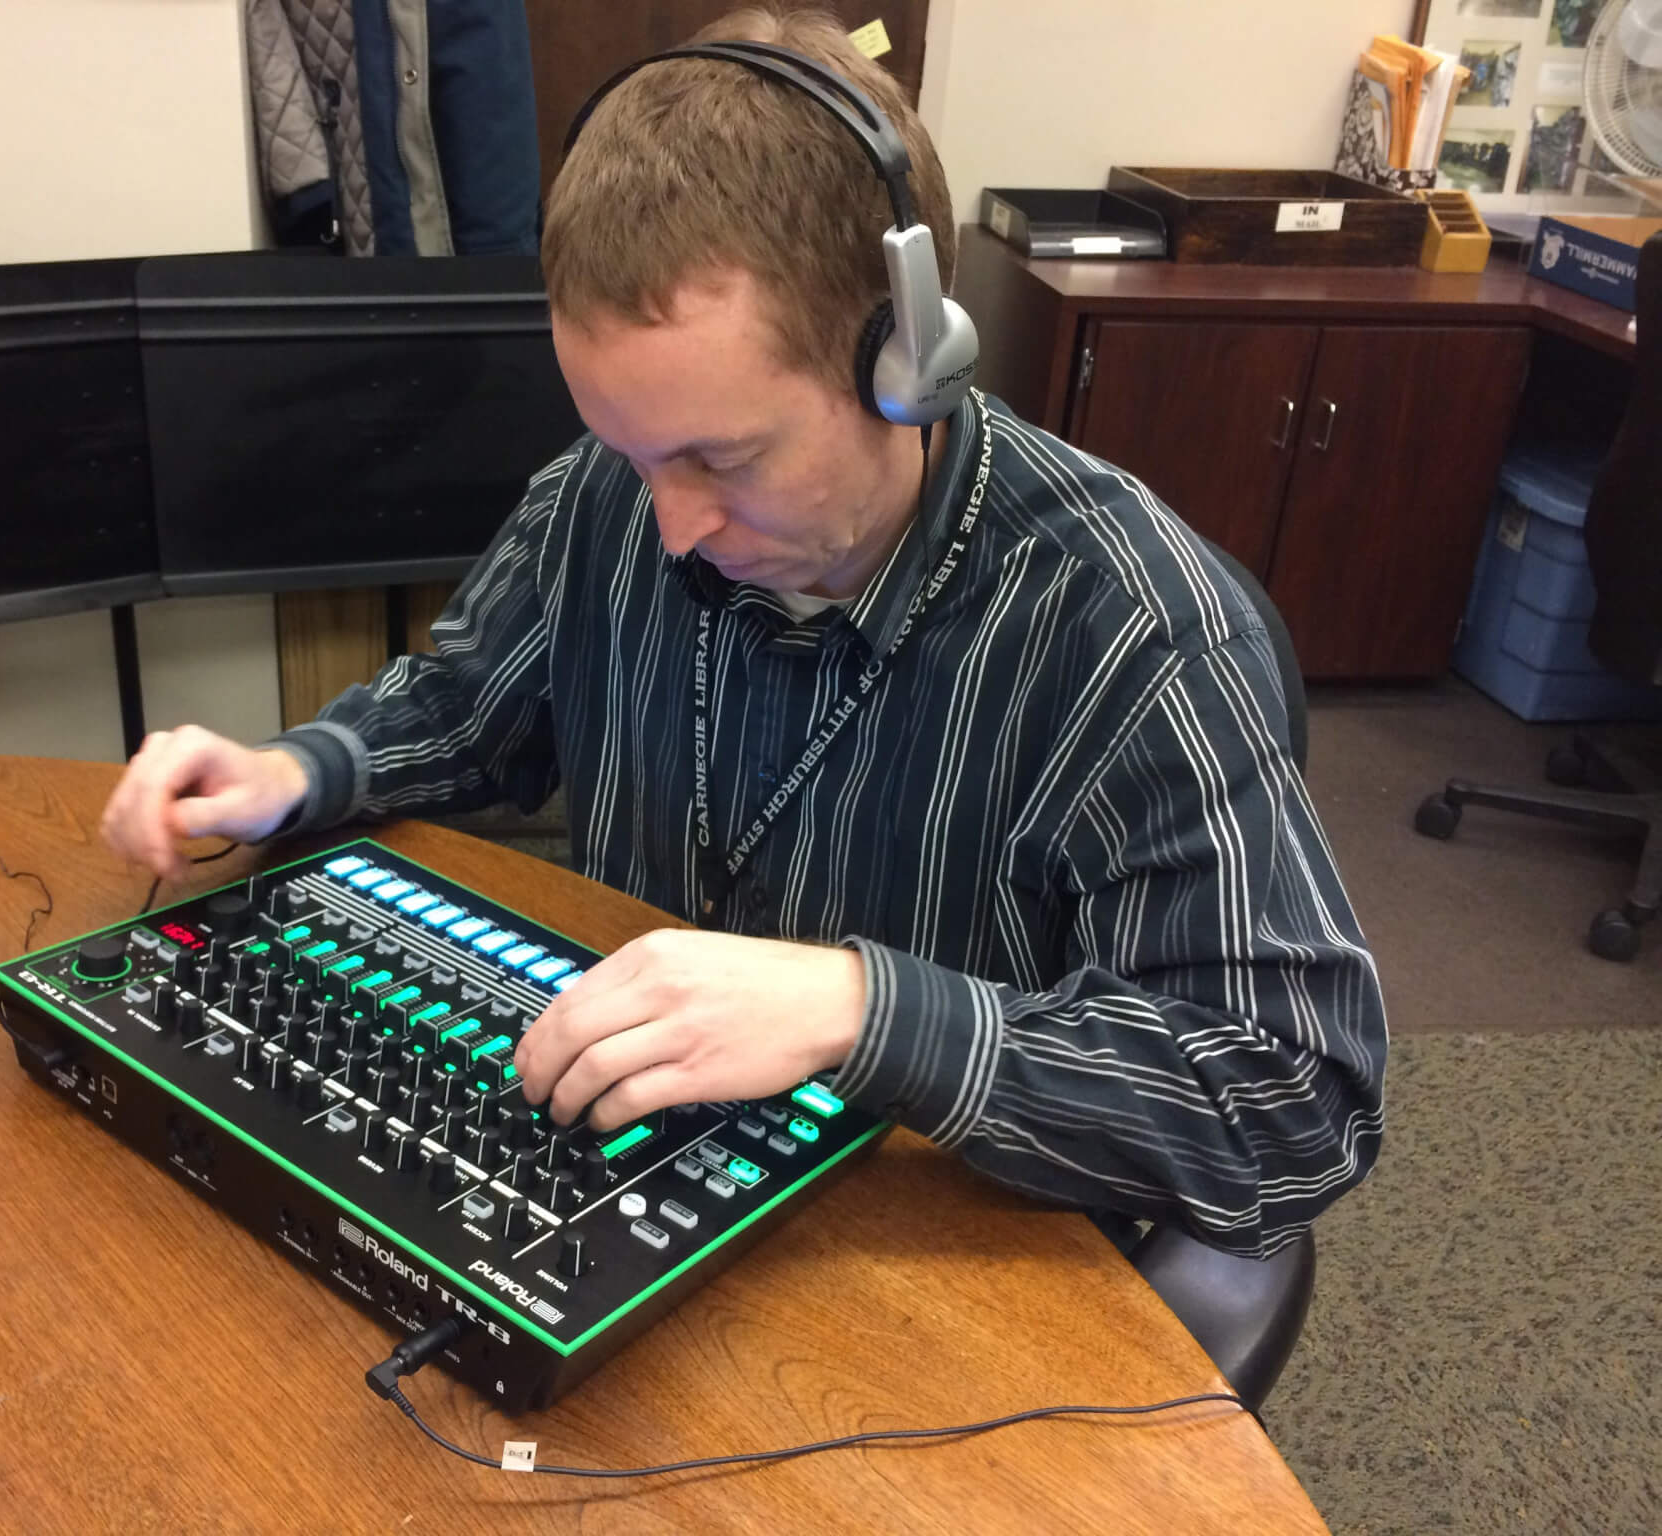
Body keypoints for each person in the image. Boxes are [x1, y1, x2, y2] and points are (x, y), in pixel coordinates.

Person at [101, 8, 1386, 1259]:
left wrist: (864, 1011)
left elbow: (1290, 1108)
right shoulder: (608, 500)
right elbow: (466, 710)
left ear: (907, 367)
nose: (666, 524)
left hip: (928, 1258)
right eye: (631, 450)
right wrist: (298, 773)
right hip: (645, 1181)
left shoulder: (1139, 634)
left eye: (722, 456)